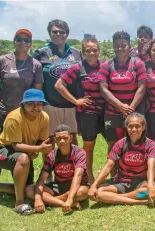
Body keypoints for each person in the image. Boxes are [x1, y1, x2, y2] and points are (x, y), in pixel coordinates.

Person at [0, 29, 43, 196]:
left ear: (30, 44)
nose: (23, 42)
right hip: (2, 112)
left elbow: (38, 90)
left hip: (23, 115)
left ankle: (20, 178)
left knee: (20, 147)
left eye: (27, 40)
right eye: (20, 39)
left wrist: (36, 112)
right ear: (14, 41)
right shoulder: (2, 61)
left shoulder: (35, 65)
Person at [0, 89, 52, 215]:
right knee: (23, 158)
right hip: (0, 151)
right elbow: (16, 146)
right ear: (23, 105)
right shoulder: (14, 118)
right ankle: (19, 203)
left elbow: (42, 140)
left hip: (24, 151)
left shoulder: (44, 117)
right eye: (31, 104)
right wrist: (38, 149)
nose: (35, 107)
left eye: (39, 104)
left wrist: (37, 148)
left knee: (26, 188)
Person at [55, 36, 105, 183]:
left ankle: (114, 174)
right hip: (87, 114)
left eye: (94, 50)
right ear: (83, 52)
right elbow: (59, 85)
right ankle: (88, 176)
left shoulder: (105, 66)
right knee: (89, 146)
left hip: (106, 111)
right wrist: (76, 101)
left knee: (112, 143)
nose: (92, 53)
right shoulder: (78, 68)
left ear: (98, 51)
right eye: (88, 50)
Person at [88, 113, 155, 206]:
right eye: (130, 126)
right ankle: (138, 201)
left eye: (137, 126)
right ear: (126, 127)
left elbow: (151, 166)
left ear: (143, 127)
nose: (134, 129)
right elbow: (108, 166)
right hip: (122, 182)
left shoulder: (150, 144)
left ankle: (116, 198)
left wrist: (150, 185)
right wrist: (94, 185)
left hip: (141, 182)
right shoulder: (120, 144)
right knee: (99, 192)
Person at [33, 19, 82, 148]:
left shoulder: (76, 53)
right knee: (50, 138)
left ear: (67, 34)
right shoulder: (41, 52)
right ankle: (50, 167)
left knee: (72, 137)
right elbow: (34, 77)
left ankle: (74, 166)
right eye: (55, 31)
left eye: (62, 32)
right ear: (49, 33)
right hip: (50, 103)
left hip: (71, 103)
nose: (58, 34)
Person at [98, 31, 147, 149]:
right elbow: (103, 89)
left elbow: (142, 87)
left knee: (135, 143)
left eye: (123, 45)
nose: (120, 48)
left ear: (129, 46)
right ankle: (115, 167)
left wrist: (130, 108)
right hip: (112, 112)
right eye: (116, 45)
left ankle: (133, 167)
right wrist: (120, 106)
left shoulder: (138, 63)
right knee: (113, 145)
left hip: (133, 111)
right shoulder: (106, 65)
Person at [25, 124, 89, 214]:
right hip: (58, 186)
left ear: (70, 138)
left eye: (65, 138)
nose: (62, 141)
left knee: (83, 192)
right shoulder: (52, 155)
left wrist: (70, 198)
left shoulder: (79, 153)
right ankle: (62, 202)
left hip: (77, 186)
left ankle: (51, 201)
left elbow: (77, 176)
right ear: (55, 140)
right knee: (29, 189)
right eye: (58, 138)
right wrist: (38, 199)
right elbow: (41, 179)